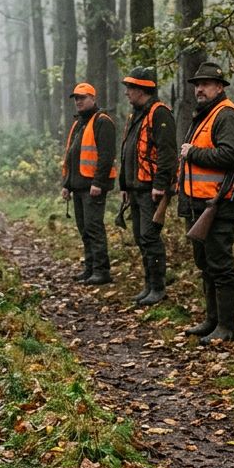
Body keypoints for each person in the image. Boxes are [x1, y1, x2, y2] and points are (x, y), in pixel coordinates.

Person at [177, 62, 234, 344]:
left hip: (221, 202)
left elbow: (230, 154)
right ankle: (212, 320)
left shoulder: (226, 115)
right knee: (205, 262)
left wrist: (193, 153)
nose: (199, 89)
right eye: (197, 84)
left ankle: (226, 326)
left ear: (219, 87)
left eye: (205, 84)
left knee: (220, 264)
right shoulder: (206, 115)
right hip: (203, 202)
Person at [118, 66, 176, 306]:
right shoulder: (136, 114)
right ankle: (148, 285)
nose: (127, 92)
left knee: (150, 238)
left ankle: (158, 287)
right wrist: (125, 185)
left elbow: (167, 152)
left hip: (151, 189)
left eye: (130, 87)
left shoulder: (159, 113)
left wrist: (160, 185)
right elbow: (127, 151)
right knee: (141, 238)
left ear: (142, 89)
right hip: (136, 188)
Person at [61, 82, 117, 285]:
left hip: (92, 187)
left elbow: (106, 156)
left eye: (82, 98)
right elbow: (71, 156)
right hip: (78, 186)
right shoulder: (79, 123)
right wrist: (66, 184)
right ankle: (90, 268)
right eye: (76, 98)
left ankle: (102, 271)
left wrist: (98, 183)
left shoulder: (102, 121)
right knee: (84, 229)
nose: (78, 101)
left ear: (93, 98)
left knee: (94, 228)